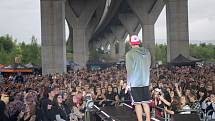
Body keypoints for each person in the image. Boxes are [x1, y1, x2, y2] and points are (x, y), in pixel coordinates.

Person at [125, 35, 151, 121]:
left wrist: (128, 84)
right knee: (145, 103)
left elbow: (130, 71)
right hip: (145, 82)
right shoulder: (147, 52)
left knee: (137, 104)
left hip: (135, 83)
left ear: (130, 43)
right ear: (139, 42)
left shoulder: (129, 54)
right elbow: (149, 65)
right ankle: (148, 119)